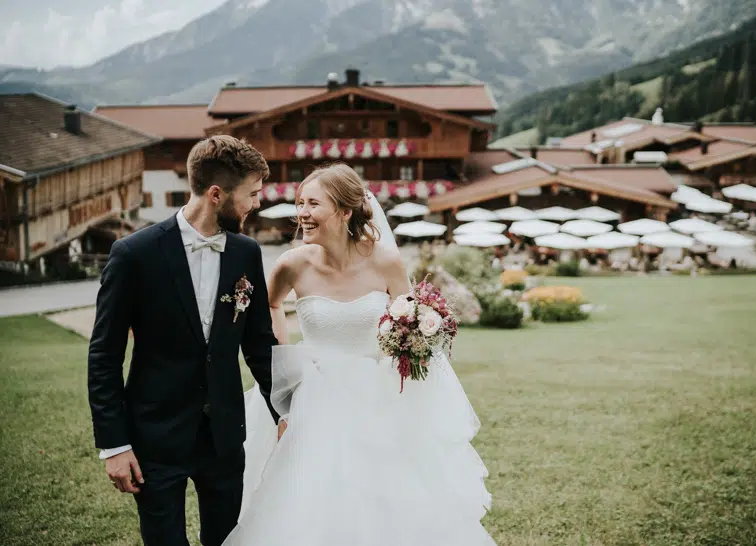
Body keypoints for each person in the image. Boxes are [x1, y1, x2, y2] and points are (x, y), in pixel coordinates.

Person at [225, 163, 496, 545]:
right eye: (299, 203)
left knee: (388, 494)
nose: (301, 212)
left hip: (378, 394)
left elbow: (408, 319)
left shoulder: (386, 261)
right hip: (314, 393)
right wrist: (286, 359)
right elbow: (268, 307)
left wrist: (410, 346)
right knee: (309, 494)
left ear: (345, 211)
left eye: (313, 203)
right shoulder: (292, 264)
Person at [87, 135, 280, 546]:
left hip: (224, 438)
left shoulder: (247, 254)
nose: (256, 204)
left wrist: (285, 412)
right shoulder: (134, 254)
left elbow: (260, 347)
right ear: (216, 194)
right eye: (251, 194)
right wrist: (113, 445)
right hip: (155, 437)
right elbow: (104, 355)